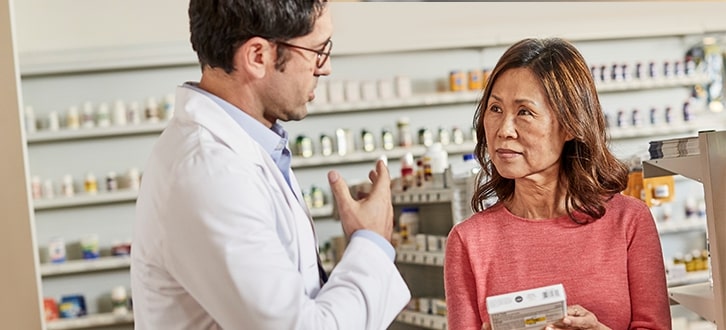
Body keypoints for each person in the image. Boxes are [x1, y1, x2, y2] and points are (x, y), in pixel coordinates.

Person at [130, 1, 410, 329]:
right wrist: (371, 242)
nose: (325, 67)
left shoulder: (249, 147)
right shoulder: (211, 172)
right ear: (258, 57)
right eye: (318, 50)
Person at [444, 38, 672, 330]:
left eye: (524, 112)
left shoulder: (629, 222)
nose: (504, 130)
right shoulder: (468, 241)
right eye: (495, 109)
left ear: (570, 125)